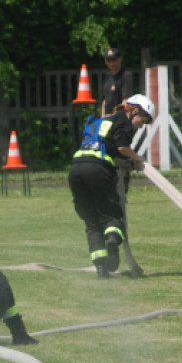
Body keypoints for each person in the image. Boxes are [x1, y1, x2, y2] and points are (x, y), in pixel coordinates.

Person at [68, 94, 155, 278]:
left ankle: (101, 270)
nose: (141, 126)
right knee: (111, 215)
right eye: (143, 120)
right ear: (134, 110)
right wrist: (136, 158)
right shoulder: (123, 121)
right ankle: (113, 241)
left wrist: (125, 164)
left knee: (92, 223)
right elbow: (123, 148)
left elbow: (107, 155)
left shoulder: (103, 122)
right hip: (97, 171)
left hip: (76, 169)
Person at [100, 48, 133, 116]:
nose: (111, 63)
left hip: (119, 118)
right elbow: (105, 101)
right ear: (106, 62)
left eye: (114, 60)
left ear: (120, 59)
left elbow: (126, 101)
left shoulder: (126, 75)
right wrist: (102, 118)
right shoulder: (108, 76)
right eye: (109, 61)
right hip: (107, 118)